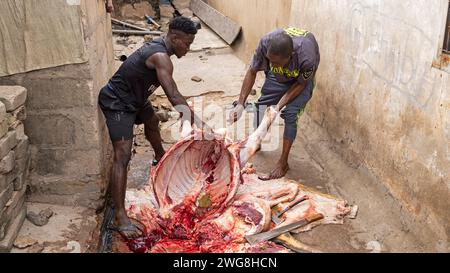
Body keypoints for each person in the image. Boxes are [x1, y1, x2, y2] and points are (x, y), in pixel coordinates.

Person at [98, 16, 206, 240]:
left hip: (136, 98)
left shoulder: (162, 50)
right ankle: (119, 215)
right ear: (174, 37)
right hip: (117, 101)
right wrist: (193, 119)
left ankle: (160, 156)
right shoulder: (160, 57)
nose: (189, 48)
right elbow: (173, 94)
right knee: (123, 155)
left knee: (152, 121)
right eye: (187, 43)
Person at [229, 27, 320, 180]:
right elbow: (252, 70)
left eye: (276, 62)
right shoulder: (265, 43)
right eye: (270, 61)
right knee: (261, 106)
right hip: (280, 78)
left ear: (290, 56)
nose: (272, 65)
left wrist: (278, 107)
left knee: (290, 114)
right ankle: (256, 142)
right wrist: (240, 103)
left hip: (300, 81)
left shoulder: (307, 58)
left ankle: (283, 162)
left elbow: (300, 85)